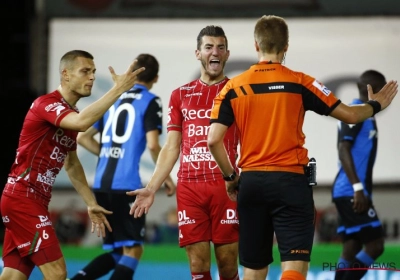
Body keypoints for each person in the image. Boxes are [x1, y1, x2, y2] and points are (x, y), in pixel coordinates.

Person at [206, 15, 398, 280]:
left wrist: (230, 177)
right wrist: (376, 105)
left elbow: (213, 140)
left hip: (251, 183)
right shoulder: (300, 82)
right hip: (290, 183)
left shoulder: (232, 88)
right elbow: (351, 116)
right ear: (286, 47)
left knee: (253, 268)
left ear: (256, 46)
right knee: (294, 265)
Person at [0, 50, 145, 280]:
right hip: (23, 199)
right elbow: (82, 123)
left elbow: (72, 163)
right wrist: (118, 89)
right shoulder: (46, 104)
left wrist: (90, 203)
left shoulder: (69, 114)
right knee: (57, 274)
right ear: (65, 75)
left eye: (94, 72)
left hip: (29, 199)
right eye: (85, 71)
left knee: (12, 276)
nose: (92, 78)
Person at [128, 26, 240, 280]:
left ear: (227, 54)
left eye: (220, 47)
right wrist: (152, 187)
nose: (215, 52)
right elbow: (171, 147)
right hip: (190, 188)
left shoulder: (237, 92)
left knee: (227, 265)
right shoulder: (180, 95)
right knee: (198, 265)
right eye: (209, 47)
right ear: (198, 53)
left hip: (226, 187)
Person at [70, 53, 176, 280]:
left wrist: (109, 154)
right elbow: (153, 144)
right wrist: (165, 175)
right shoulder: (150, 101)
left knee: (119, 251)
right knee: (134, 249)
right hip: (126, 186)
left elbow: (83, 138)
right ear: (155, 78)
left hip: (101, 185)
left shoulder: (114, 98)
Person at [332, 70, 387, 280]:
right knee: (376, 245)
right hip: (350, 191)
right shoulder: (356, 111)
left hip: (349, 190)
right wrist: (357, 188)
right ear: (373, 90)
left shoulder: (363, 113)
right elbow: (343, 149)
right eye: (383, 90)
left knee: (351, 247)